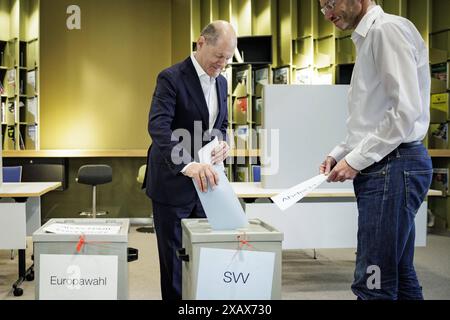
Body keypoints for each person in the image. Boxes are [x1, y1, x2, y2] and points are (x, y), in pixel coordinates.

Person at [319, 0, 432, 300]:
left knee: (373, 278)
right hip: (390, 164)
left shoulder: (385, 31)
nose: (328, 13)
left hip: (393, 165)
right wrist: (341, 152)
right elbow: (371, 117)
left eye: (331, 2)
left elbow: (404, 111)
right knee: (397, 271)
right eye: (322, 7)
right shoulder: (370, 37)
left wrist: (355, 160)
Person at [144, 21, 237, 300]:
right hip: (173, 184)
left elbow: (221, 124)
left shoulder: (221, 81)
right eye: (218, 56)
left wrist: (223, 144)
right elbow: (158, 127)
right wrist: (188, 164)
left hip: (208, 186)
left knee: (206, 259)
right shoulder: (171, 77)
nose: (222, 64)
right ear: (201, 43)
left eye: (228, 58)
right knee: (174, 267)